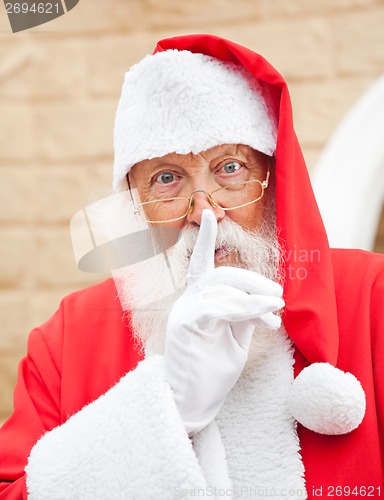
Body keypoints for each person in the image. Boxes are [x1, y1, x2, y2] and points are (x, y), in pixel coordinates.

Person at [0, 33, 383, 500]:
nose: (204, 212)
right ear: (134, 204)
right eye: (167, 178)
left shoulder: (373, 296)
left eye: (230, 168)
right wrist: (170, 409)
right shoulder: (66, 338)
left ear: (274, 179)